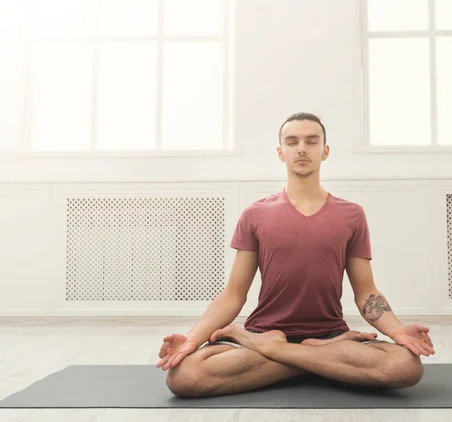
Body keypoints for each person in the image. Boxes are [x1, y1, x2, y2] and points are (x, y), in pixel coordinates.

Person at [157, 112, 435, 397]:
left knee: (406, 366)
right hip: (264, 332)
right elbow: (233, 294)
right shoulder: (256, 214)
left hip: (327, 334)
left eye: (311, 141)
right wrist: (193, 339)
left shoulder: (352, 215)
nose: (301, 148)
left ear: (325, 151)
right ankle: (318, 360)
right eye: (292, 141)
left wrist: (397, 331)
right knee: (184, 377)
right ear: (281, 152)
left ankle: (279, 352)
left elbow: (366, 292)